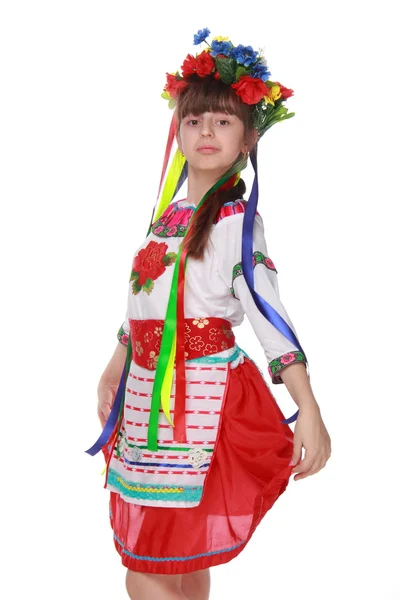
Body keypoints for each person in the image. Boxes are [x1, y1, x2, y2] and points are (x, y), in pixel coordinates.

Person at [86, 28, 331, 600]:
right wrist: (112, 367)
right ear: (178, 131)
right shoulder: (168, 212)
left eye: (222, 122)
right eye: (194, 120)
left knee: (145, 567)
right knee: (175, 563)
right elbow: (143, 302)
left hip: (199, 398)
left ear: (248, 138)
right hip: (150, 394)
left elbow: (271, 317)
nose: (205, 132)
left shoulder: (236, 223)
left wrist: (309, 409)